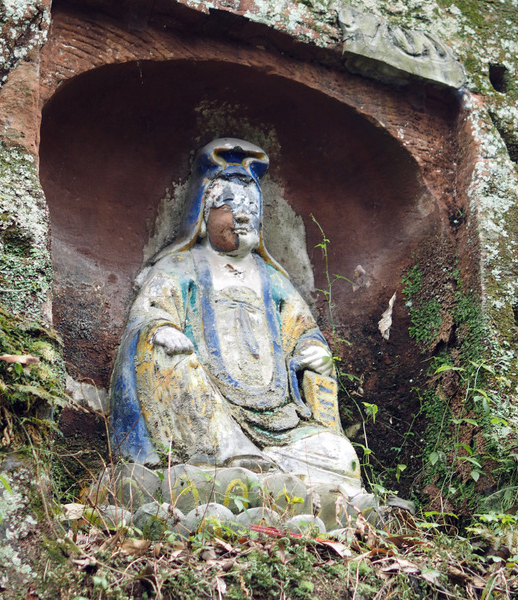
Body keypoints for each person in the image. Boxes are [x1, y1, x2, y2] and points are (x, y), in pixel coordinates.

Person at [110, 138, 361, 491]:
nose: (242, 215)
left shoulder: (274, 281)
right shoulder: (179, 268)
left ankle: (269, 467)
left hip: (281, 421)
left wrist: (313, 350)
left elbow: (303, 330)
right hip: (208, 410)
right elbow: (148, 314)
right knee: (164, 353)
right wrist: (161, 329)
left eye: (251, 206)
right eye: (229, 205)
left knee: (344, 459)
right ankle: (232, 455)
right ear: (203, 214)